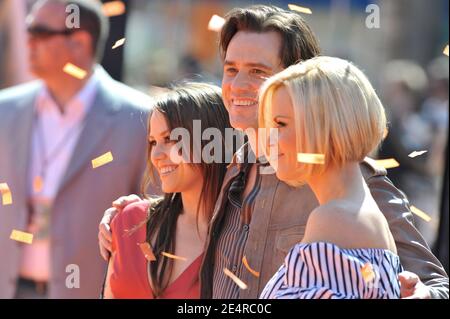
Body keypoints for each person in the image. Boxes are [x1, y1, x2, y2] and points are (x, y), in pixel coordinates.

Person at [98, 5, 449, 299]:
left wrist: (415, 293)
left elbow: (436, 286)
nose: (237, 86)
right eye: (231, 70)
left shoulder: (345, 173)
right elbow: (182, 204)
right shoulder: (228, 162)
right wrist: (124, 213)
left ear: (299, 82)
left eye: (258, 72)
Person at [0, 0, 155, 298]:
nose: (27, 40)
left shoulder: (140, 119)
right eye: (27, 30)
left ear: (80, 43)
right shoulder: (5, 110)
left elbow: (156, 218)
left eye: (40, 32)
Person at [258, 56, 403, 298]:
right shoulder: (358, 213)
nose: (268, 139)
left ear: (324, 126)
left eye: (281, 124)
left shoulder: (333, 218)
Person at [102, 83, 233, 298]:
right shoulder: (129, 220)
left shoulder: (240, 237)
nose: (156, 155)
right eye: (153, 142)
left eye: (169, 139)